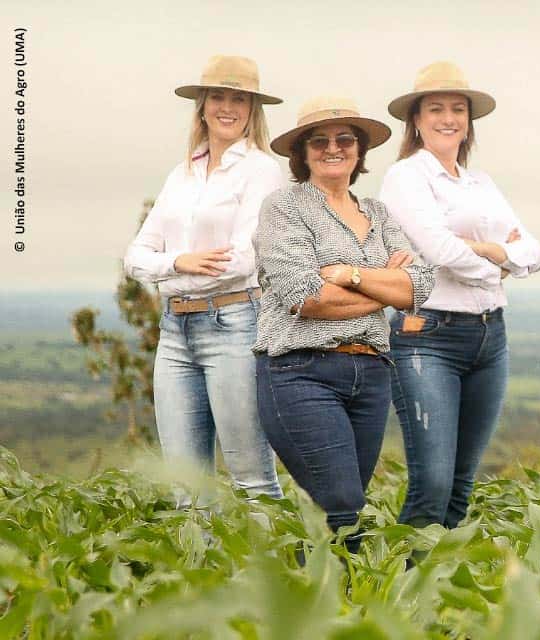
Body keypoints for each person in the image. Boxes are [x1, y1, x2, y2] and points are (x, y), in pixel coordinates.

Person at [253, 95, 436, 551]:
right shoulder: (284, 208)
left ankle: (320, 602)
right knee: (343, 505)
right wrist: (383, 289)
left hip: (371, 374)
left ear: (359, 151)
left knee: (340, 513)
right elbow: (306, 297)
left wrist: (350, 275)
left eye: (344, 139)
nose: (333, 148)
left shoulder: (378, 213)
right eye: (319, 141)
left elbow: (421, 285)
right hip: (300, 372)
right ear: (302, 153)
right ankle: (340, 606)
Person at [379, 61, 540, 529]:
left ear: (468, 121)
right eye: (436, 108)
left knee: (460, 482)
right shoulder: (407, 178)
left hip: (490, 337)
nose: (448, 117)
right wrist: (499, 262)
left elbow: (533, 250)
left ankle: (439, 591)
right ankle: (398, 589)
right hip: (428, 336)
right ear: (416, 119)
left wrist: (495, 252)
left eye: (457, 109)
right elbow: (437, 249)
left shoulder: (480, 184)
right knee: (432, 484)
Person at [124, 55, 283, 500]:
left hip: (234, 324)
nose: (227, 107)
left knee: (250, 476)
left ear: (253, 109)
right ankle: (201, 570)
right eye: (218, 96)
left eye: (239, 98)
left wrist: (172, 266)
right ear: (202, 105)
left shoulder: (262, 170)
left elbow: (246, 258)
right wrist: (179, 263)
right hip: (174, 331)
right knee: (185, 486)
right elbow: (135, 256)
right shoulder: (182, 174)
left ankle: (275, 570)